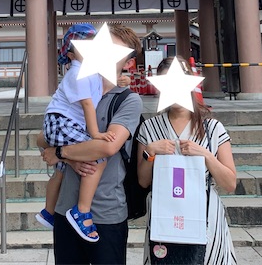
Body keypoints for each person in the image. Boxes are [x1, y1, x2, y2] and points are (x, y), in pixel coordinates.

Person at [40, 24, 143, 265]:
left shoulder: (127, 100)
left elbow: (107, 147)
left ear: (128, 62)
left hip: (105, 213)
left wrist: (62, 154)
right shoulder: (78, 86)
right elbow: (41, 137)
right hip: (65, 210)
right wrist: (66, 155)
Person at [137, 56, 237, 265]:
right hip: (163, 215)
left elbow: (229, 183)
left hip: (205, 215)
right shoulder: (150, 128)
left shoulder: (212, 128)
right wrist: (150, 152)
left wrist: (206, 155)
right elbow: (143, 181)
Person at [36, 23, 116, 242]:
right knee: (98, 158)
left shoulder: (90, 72)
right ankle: (82, 210)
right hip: (62, 123)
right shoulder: (78, 72)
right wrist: (96, 134)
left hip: (60, 124)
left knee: (61, 170)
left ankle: (48, 212)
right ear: (71, 54)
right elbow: (88, 106)